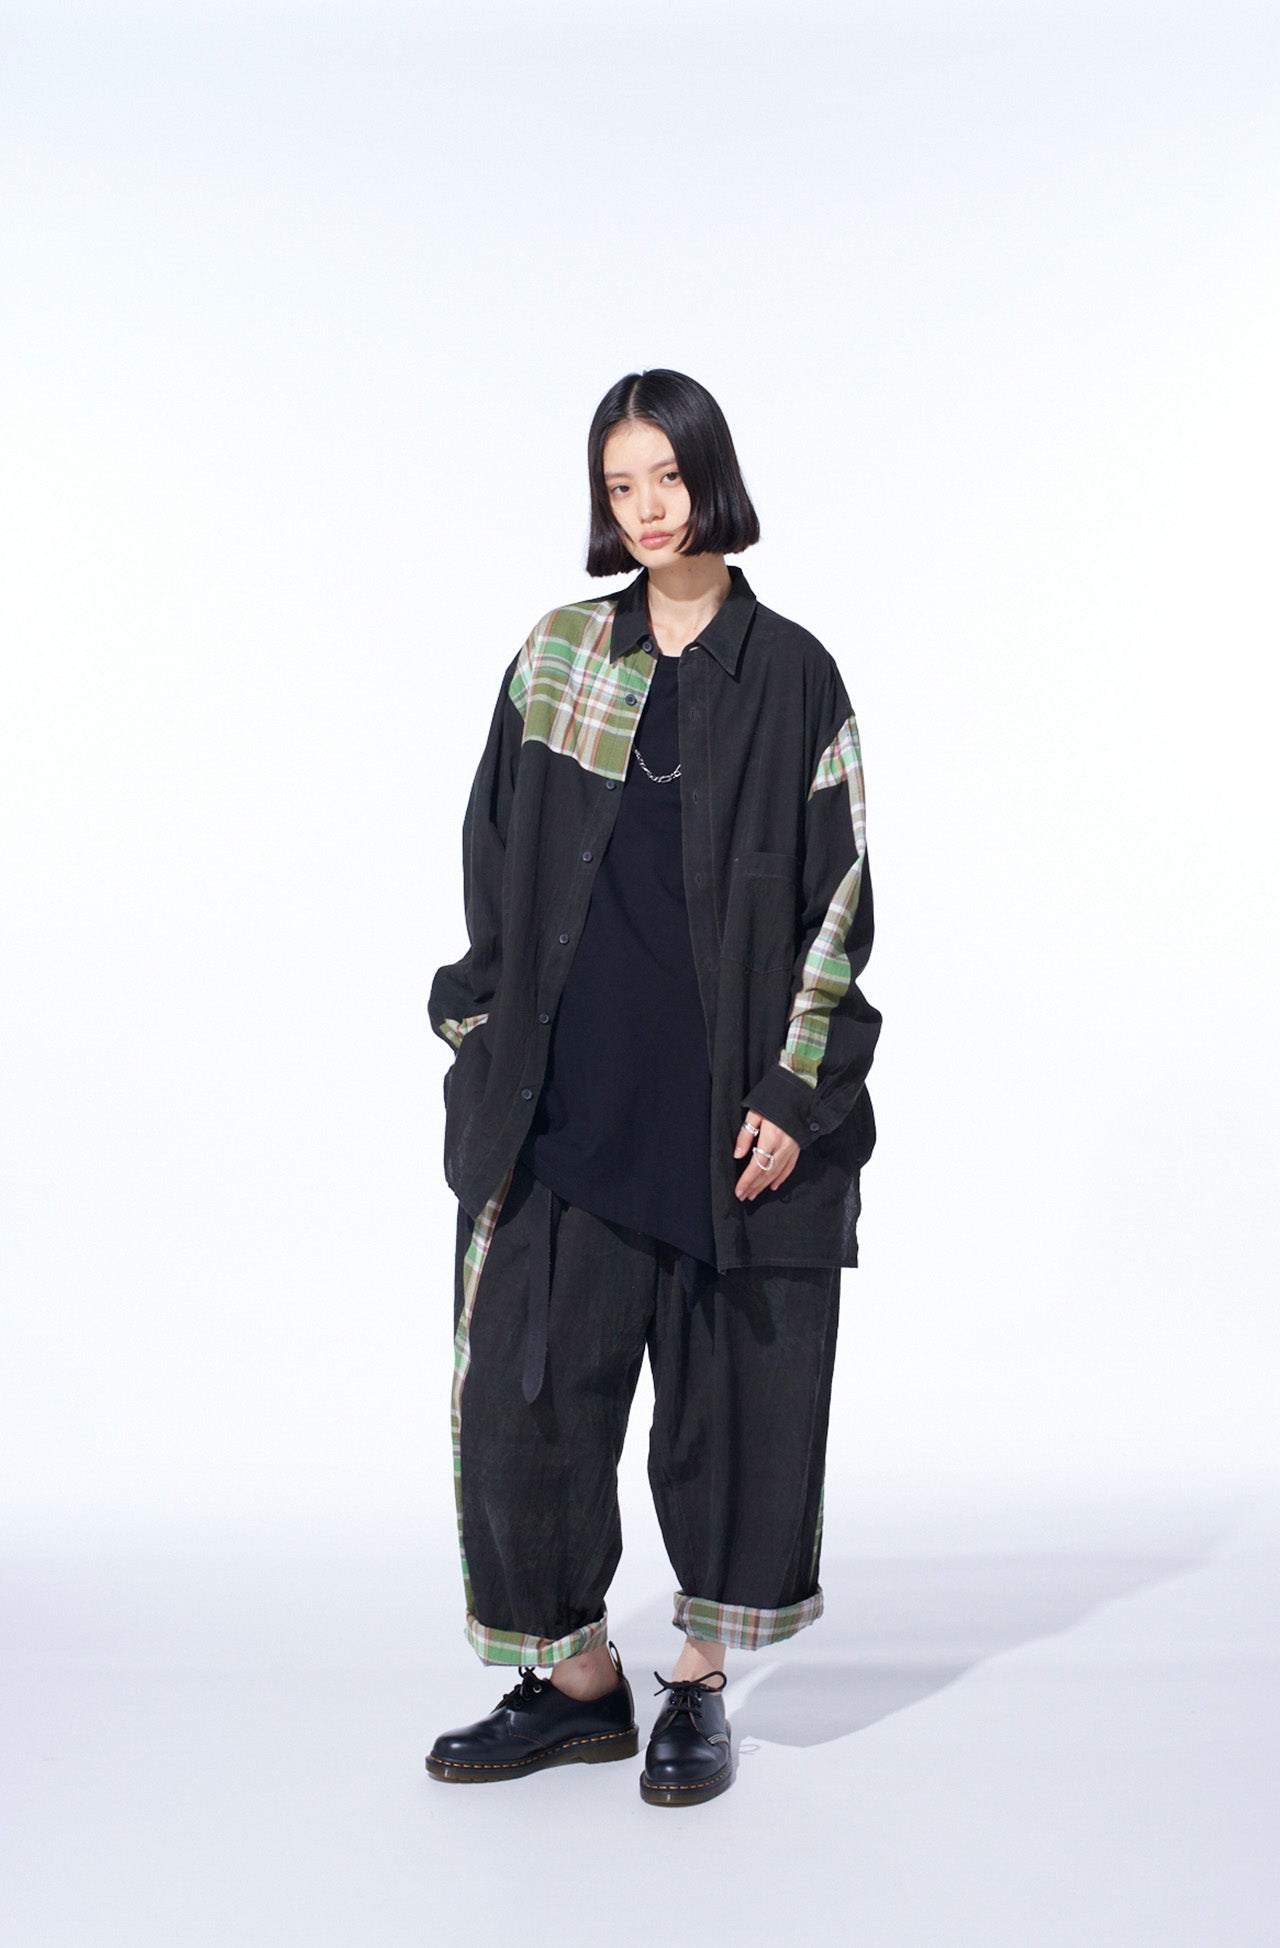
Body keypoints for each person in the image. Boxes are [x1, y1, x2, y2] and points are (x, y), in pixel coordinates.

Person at [424, 368, 882, 1806]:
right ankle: (574, 1687)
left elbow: (839, 903)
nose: (645, 510)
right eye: (619, 486)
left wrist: (794, 1096)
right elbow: (491, 856)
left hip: (725, 1125)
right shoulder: (559, 653)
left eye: (666, 479)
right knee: (527, 1409)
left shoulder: (793, 674)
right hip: (563, 1112)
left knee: (730, 1417)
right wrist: (481, 1034)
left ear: (711, 476)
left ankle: (697, 1681)